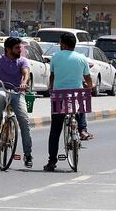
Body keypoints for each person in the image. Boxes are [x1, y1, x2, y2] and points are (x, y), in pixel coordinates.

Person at [44, 32, 94, 172]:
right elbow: (88, 78)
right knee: (81, 100)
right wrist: (90, 87)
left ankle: (52, 162)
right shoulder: (81, 58)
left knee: (55, 130)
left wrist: (51, 89)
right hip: (76, 95)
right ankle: (82, 129)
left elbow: (52, 76)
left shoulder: (56, 57)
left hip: (60, 96)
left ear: (63, 44)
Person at [0, 36, 33, 168]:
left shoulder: (22, 61)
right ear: (8, 49)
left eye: (20, 48)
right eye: (17, 48)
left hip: (18, 92)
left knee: (24, 121)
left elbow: (26, 73)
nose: (20, 50)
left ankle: (28, 154)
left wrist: (24, 83)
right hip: (4, 89)